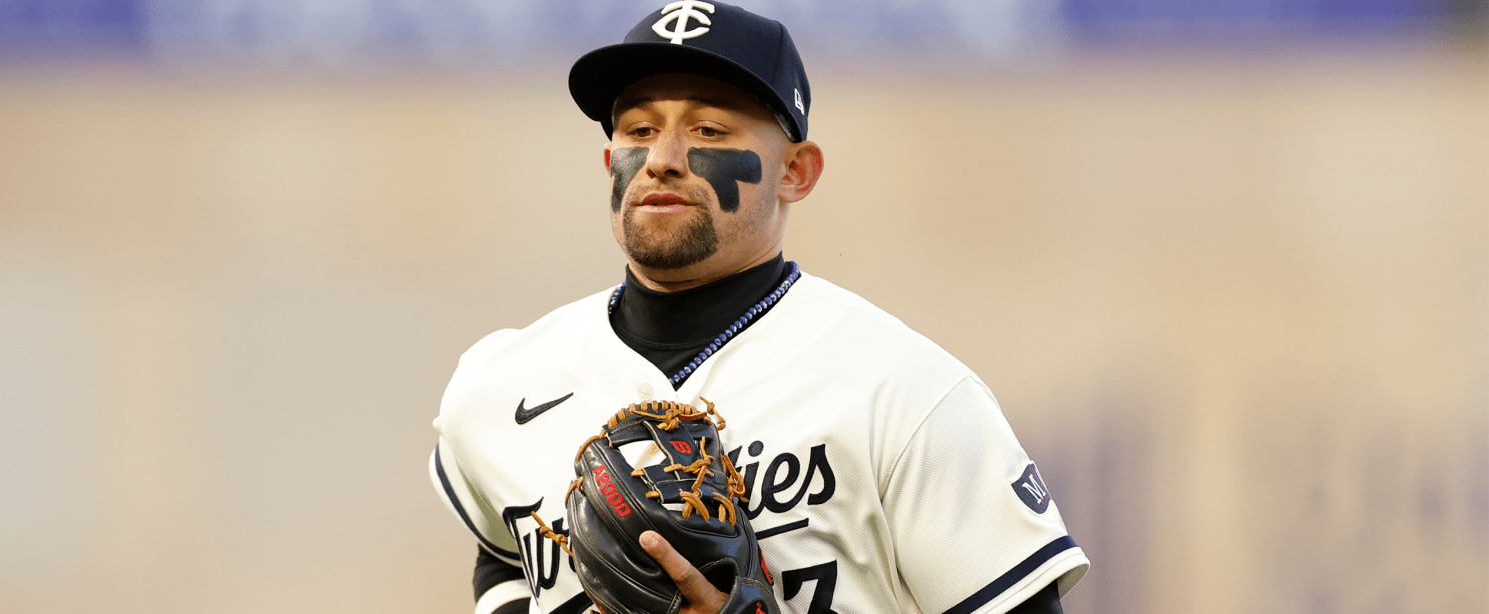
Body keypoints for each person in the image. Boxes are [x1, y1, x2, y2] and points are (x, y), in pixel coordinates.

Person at [429, 3, 1088, 613]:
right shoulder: (499, 387)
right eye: (640, 129)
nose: (662, 159)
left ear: (795, 172)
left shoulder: (908, 395)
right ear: (611, 164)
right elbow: (504, 556)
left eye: (709, 129)